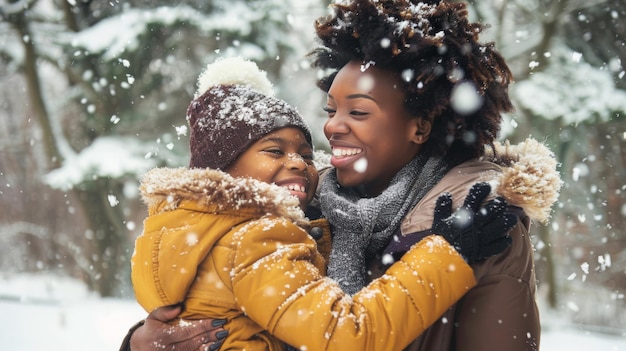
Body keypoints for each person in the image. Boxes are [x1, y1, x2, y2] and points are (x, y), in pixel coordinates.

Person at [124, 0, 562, 350]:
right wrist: (142, 344)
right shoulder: (299, 207)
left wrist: (449, 253)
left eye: (357, 111)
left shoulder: (476, 224)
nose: (331, 127)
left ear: (420, 126)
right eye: (331, 111)